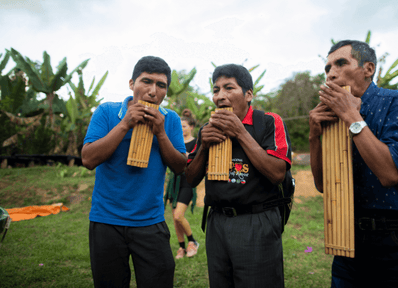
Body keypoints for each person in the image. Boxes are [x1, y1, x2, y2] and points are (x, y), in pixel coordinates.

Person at [308, 40, 398, 287]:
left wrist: (351, 116)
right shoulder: (332, 118)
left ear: (368, 69)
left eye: (341, 63)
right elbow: (324, 185)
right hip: (350, 239)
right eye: (327, 68)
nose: (331, 73)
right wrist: (315, 134)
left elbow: (389, 174)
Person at [82, 56, 187, 288]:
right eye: (146, 82)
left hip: (150, 221)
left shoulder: (170, 120)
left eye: (161, 85)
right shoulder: (107, 112)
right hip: (106, 220)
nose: (152, 91)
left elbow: (180, 167)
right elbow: (88, 159)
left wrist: (160, 133)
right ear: (132, 84)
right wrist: (125, 124)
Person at [185, 64, 292, 288]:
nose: (220, 96)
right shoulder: (208, 128)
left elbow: (277, 174)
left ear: (248, 94)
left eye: (229, 88)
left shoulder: (268, 122)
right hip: (217, 222)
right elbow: (190, 179)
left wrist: (240, 133)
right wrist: (203, 146)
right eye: (216, 90)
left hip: (256, 221)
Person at [164, 109, 199, 259]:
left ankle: (192, 241)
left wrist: (186, 158)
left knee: (179, 215)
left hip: (187, 182)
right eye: (179, 126)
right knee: (174, 218)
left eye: (184, 126)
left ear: (191, 127)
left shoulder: (197, 143)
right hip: (174, 182)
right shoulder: (174, 142)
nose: (181, 128)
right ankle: (181, 247)